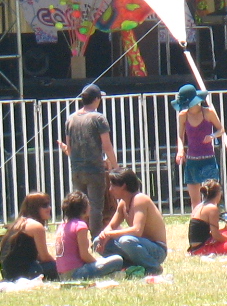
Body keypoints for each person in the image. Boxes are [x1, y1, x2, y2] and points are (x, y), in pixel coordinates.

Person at [59, 84, 115, 238]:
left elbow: (69, 149)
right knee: (96, 207)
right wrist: (115, 167)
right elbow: (107, 146)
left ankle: (78, 238)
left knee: (78, 207)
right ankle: (96, 239)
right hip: (94, 170)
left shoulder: (71, 119)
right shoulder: (98, 118)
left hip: (76, 170)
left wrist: (64, 148)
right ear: (97, 99)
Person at [95, 169, 170, 275]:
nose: (110, 190)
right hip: (138, 246)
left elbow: (137, 231)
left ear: (123, 186)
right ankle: (128, 267)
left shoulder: (140, 199)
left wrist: (110, 234)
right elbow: (111, 226)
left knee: (126, 241)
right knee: (97, 241)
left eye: (113, 186)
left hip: (157, 250)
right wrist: (103, 237)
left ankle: (153, 268)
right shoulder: (123, 203)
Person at [173, 83, 223, 211]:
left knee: (211, 199)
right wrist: (180, 150)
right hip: (192, 160)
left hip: (208, 159)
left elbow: (221, 129)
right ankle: (196, 223)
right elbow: (180, 135)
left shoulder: (208, 112)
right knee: (195, 202)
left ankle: (211, 222)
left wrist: (212, 136)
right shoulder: (183, 115)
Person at [55, 191, 116, 279]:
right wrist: (97, 263)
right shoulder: (80, 225)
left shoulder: (62, 226)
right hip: (76, 273)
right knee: (117, 259)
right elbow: (84, 255)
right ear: (84, 208)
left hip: (62, 274)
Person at [1, 192, 57, 281]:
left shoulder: (17, 223)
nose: (49, 208)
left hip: (8, 272)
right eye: (44, 205)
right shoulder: (36, 226)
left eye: (49, 204)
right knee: (54, 266)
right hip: (26, 271)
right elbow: (44, 257)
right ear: (34, 208)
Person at [187, 180, 227, 256]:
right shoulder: (212, 208)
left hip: (203, 243)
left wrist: (226, 229)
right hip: (202, 248)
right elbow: (216, 236)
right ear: (218, 194)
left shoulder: (199, 206)